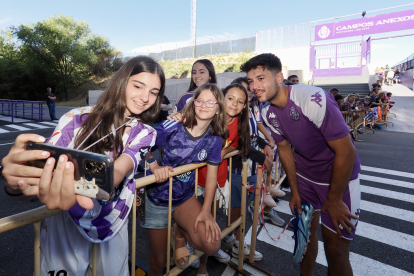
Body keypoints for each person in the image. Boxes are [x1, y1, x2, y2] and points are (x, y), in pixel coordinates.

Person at [2, 56, 165, 276]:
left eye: (154, 92)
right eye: (138, 86)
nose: (145, 98)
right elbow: (39, 173)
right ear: (122, 81)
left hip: (112, 221)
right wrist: (17, 184)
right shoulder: (75, 118)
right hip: (64, 221)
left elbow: (115, 173)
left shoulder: (145, 132)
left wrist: (73, 184)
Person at [241, 53, 361, 276]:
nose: (254, 86)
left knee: (336, 251)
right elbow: (285, 150)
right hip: (306, 179)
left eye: (260, 78)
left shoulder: (312, 98)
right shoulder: (266, 110)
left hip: (339, 180)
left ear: (279, 77)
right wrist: (294, 191)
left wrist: (334, 199)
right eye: (250, 81)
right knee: (303, 240)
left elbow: (347, 151)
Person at [142, 83, 226, 276]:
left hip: (184, 197)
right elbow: (140, 144)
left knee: (212, 244)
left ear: (218, 108)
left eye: (211, 102)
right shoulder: (175, 125)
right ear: (193, 102)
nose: (204, 105)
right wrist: (155, 166)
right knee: (159, 262)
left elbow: (212, 176)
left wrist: (206, 211)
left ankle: (179, 232)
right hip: (157, 198)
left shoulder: (215, 137)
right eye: (200, 100)